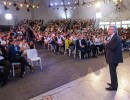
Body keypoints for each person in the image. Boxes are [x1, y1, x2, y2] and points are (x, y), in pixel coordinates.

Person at [104, 25, 123, 91]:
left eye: (109, 29)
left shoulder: (116, 38)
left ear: (113, 30)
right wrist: (108, 43)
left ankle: (114, 86)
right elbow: (112, 46)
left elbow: (112, 48)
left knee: (113, 72)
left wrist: (106, 43)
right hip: (113, 58)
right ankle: (113, 83)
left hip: (113, 58)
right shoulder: (113, 37)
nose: (108, 30)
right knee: (113, 72)